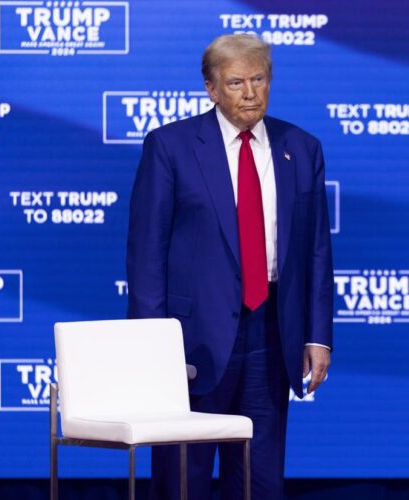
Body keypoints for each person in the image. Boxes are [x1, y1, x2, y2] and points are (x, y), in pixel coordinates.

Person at [126, 34, 334, 500]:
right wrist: (152, 349)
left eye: (259, 79)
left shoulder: (301, 149)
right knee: (183, 480)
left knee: (259, 482)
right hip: (188, 341)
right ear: (211, 89)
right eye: (236, 82)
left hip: (272, 336)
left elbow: (317, 249)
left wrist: (317, 335)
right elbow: (146, 255)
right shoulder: (171, 147)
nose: (250, 92)